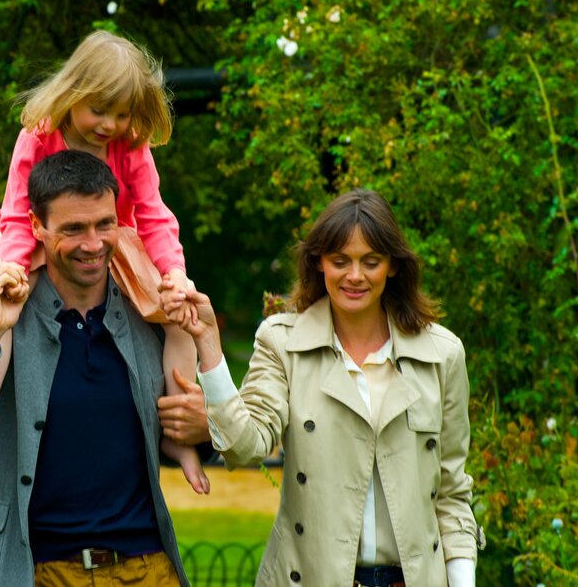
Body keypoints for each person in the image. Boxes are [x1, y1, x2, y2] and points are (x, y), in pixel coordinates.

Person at [0, 150, 201, 586]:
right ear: (36, 227)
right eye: (73, 229)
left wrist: (202, 426)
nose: (93, 243)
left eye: (104, 224)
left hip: (146, 568)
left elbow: (197, 422)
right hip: (33, 571)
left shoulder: (148, 311)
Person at [163, 189, 483, 586]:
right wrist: (208, 343)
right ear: (318, 264)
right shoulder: (282, 342)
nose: (354, 276)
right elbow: (245, 446)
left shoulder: (442, 354)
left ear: (393, 267)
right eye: (340, 261)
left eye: (371, 262)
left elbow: (451, 493)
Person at [0, 29, 209, 495]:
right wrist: (12, 266)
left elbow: (152, 213)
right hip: (29, 236)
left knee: (179, 316)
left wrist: (174, 274)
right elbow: (14, 210)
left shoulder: (131, 144)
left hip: (115, 244)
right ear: (74, 93)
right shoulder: (39, 135)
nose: (109, 124)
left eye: (121, 113)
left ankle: (177, 430)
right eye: (99, 110)